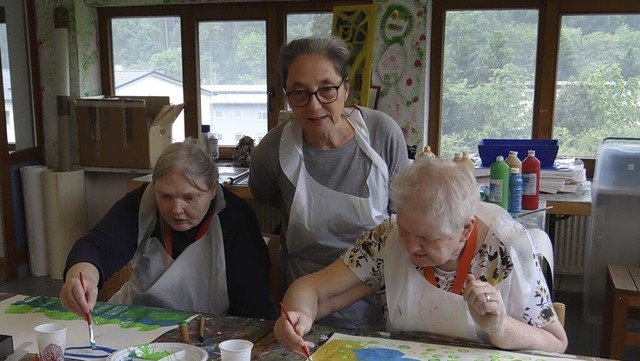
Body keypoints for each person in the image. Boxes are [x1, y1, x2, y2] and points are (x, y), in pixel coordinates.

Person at [274, 158, 568, 354]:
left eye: (427, 238)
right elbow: (313, 290)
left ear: (466, 230)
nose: (410, 247)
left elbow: (557, 343)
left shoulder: (507, 251)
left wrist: (499, 326)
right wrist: (298, 314)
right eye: (404, 230)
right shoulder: (386, 239)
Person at [249, 36, 409, 329]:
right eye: (299, 93)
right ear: (287, 96)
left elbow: (401, 217)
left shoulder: (381, 133)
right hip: (307, 308)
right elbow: (267, 195)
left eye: (327, 90)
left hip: (381, 299)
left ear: (346, 88)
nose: (314, 105)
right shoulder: (272, 152)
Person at [60, 139, 278, 320]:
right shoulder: (142, 203)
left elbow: (254, 307)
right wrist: (83, 278)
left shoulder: (236, 220)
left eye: (189, 198)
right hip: (144, 320)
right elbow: (98, 245)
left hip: (212, 325)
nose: (176, 209)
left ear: (213, 190)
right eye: (165, 196)